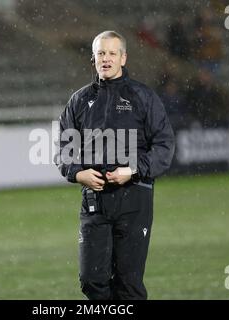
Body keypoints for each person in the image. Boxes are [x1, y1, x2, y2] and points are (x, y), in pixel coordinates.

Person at [55, 31, 175, 300]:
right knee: (91, 281)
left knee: (128, 285)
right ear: (93, 58)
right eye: (100, 53)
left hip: (134, 199)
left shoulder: (143, 97)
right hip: (94, 201)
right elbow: (63, 149)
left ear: (123, 57)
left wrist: (132, 170)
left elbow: (164, 148)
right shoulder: (79, 101)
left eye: (111, 53)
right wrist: (77, 173)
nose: (106, 59)